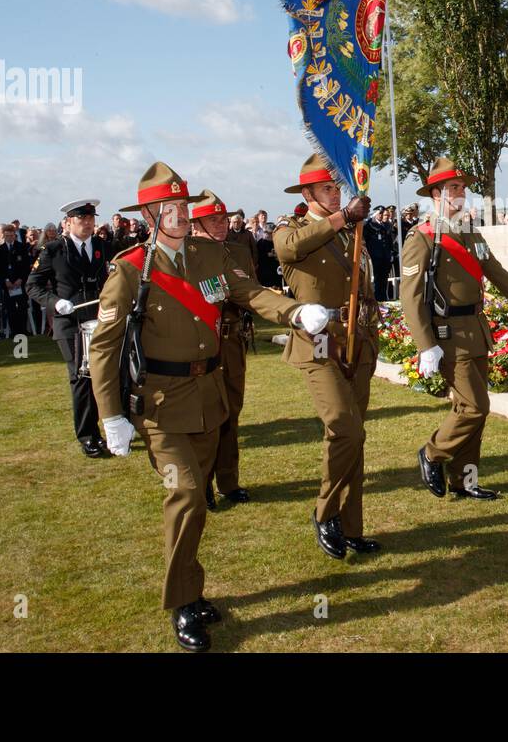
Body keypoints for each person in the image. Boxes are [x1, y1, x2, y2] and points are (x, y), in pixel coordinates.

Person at [87, 161, 322, 652]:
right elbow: (104, 347)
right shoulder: (130, 270)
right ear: (148, 214)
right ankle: (182, 603)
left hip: (209, 398)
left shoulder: (210, 255)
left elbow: (251, 293)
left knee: (196, 507)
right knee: (189, 496)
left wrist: (295, 310)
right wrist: (110, 415)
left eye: (180, 206)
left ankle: (190, 591)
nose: (176, 214)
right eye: (166, 208)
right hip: (160, 407)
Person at [402, 158, 508, 501]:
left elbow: (497, 273)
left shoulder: (470, 231)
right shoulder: (423, 237)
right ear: (436, 194)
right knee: (475, 408)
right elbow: (410, 297)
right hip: (447, 336)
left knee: (471, 411)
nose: (461, 193)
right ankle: (432, 453)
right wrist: (426, 345)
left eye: (462, 187)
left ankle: (465, 481)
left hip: (475, 330)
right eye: (454, 187)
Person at [275, 155, 382, 558]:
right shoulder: (293, 228)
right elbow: (288, 250)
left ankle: (351, 527)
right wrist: (343, 219)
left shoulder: (350, 231)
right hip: (318, 344)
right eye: (327, 189)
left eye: (338, 188)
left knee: (355, 438)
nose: (336, 194)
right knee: (344, 427)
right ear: (307, 194)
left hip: (358, 340)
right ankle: (324, 513)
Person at [26, 200, 111, 458]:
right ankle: (88, 436)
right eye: (81, 219)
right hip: (70, 323)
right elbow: (33, 285)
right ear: (68, 222)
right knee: (82, 379)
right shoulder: (52, 250)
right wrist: (55, 302)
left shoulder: (100, 246)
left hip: (99, 318)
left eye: (90, 219)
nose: (87, 223)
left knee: (105, 376)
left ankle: (111, 429)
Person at [188, 190, 256, 510]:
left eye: (223, 219)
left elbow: (251, 291)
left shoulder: (239, 251)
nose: (221, 225)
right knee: (205, 419)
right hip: (200, 345)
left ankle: (228, 480)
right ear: (195, 224)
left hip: (231, 340)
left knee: (232, 412)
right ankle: (201, 485)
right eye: (212, 220)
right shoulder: (187, 255)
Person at [0, 223, 32, 335]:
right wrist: (6, 281)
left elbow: (26, 266)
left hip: (20, 283)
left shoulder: (22, 247)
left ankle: (23, 330)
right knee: (10, 309)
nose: (10, 238)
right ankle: (14, 331)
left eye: (12, 235)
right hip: (7, 284)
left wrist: (21, 279)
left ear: (15, 235)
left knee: (22, 307)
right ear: (3, 236)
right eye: (7, 236)